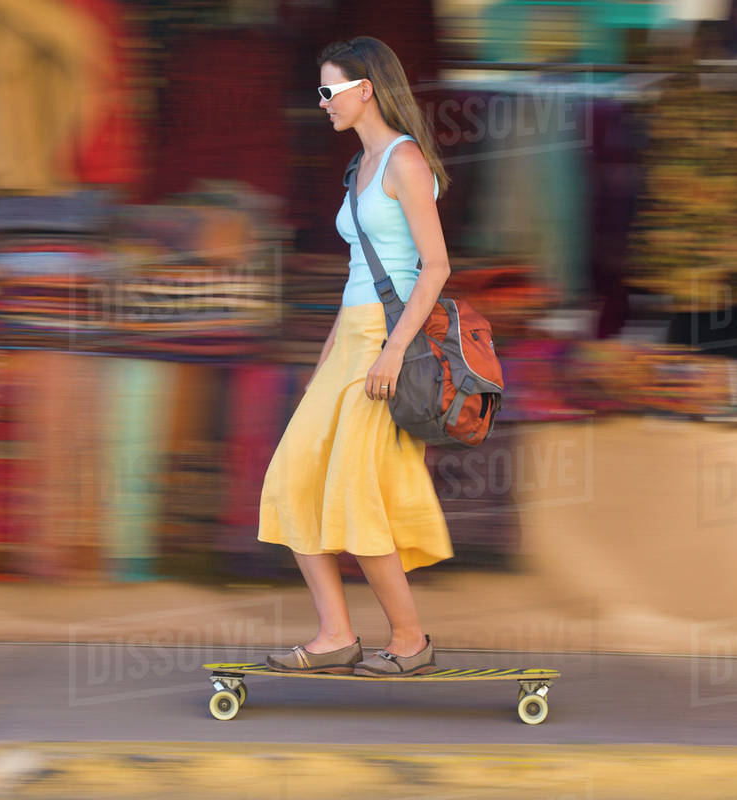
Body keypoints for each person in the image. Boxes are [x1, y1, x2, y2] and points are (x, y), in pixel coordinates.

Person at [257, 36, 454, 677]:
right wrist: (324, 363)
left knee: (354, 496)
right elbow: (355, 278)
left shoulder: (404, 162)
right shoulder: (359, 166)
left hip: (384, 349)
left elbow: (435, 268)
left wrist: (392, 353)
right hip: (349, 346)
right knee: (292, 480)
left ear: (365, 88)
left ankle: (410, 639)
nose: (322, 103)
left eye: (328, 90)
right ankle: (336, 634)